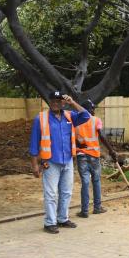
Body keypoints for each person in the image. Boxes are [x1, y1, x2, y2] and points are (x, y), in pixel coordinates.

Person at [29, 91, 90, 234]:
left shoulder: (70, 116)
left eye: (58, 100)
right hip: (50, 162)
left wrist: (73, 103)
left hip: (67, 161)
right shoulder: (41, 118)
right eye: (53, 100)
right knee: (50, 194)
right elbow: (33, 143)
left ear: (63, 102)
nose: (55, 102)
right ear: (49, 101)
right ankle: (50, 222)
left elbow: (86, 115)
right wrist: (34, 165)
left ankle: (62, 219)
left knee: (66, 192)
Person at [75, 99, 118, 218]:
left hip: (81, 156)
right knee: (96, 181)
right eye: (92, 108)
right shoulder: (95, 120)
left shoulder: (76, 122)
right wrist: (111, 150)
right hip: (93, 155)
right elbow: (102, 136)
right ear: (87, 109)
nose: (94, 110)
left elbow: (73, 139)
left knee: (85, 183)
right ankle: (97, 208)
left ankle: (84, 211)